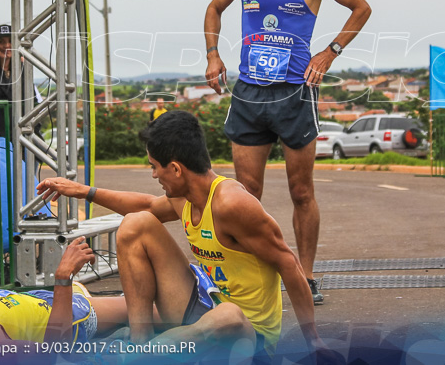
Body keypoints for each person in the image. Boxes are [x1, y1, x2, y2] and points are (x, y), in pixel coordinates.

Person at [36, 111, 334, 359]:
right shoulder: (186, 197)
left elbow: (289, 265)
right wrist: (82, 191)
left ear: (176, 169)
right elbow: (145, 205)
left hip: (249, 337)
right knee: (135, 224)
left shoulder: (232, 204)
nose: (154, 175)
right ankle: (141, 344)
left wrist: (313, 342)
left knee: (228, 315)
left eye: (155, 167)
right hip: (205, 307)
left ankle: (140, 357)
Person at [203, 0, 371, 305]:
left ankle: (306, 275)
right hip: (250, 93)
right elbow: (214, 8)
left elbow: (361, 8)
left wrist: (329, 52)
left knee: (300, 191)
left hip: (295, 92)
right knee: (245, 192)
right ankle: (248, 277)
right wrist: (213, 54)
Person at [0, 235, 251, 357]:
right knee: (157, 312)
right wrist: (63, 279)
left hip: (35, 297)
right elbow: (56, 348)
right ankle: (218, 318)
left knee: (152, 306)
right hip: (70, 312)